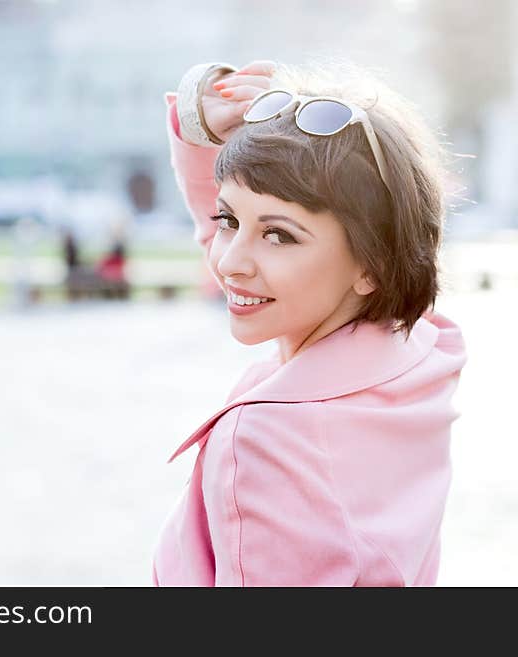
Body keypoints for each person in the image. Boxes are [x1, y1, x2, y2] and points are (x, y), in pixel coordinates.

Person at [152, 58, 468, 586]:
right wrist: (196, 131)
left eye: (278, 236)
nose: (230, 261)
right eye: (228, 220)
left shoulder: (267, 440)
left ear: (372, 263)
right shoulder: (417, 355)